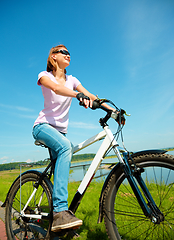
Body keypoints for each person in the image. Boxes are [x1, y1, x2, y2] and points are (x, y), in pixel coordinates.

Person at [32, 44, 114, 232]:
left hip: (60, 132)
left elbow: (91, 96)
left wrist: (113, 110)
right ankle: (61, 212)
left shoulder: (72, 79)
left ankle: (58, 220)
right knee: (65, 147)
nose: (68, 55)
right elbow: (56, 89)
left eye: (69, 53)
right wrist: (77, 95)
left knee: (62, 159)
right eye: (64, 52)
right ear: (53, 57)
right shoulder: (44, 76)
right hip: (42, 127)